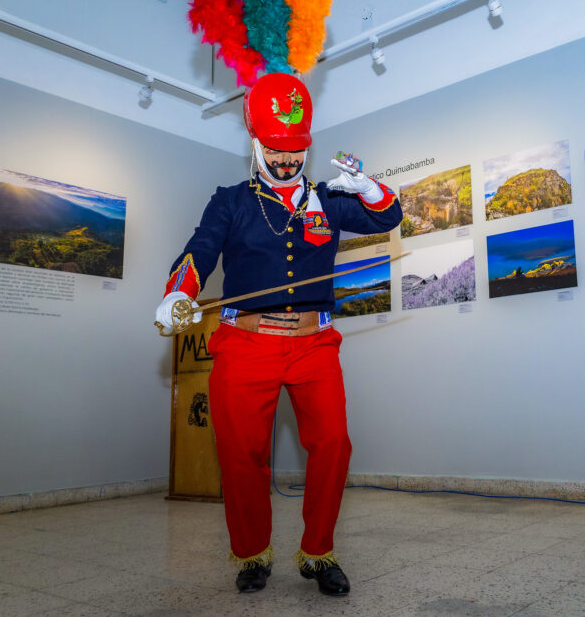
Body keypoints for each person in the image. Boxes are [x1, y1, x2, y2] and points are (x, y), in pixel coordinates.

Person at [154, 72, 401, 596]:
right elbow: (199, 251)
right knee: (242, 453)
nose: (287, 162)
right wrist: (179, 291)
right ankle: (251, 554)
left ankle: (318, 553)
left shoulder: (328, 199)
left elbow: (389, 217)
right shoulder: (230, 200)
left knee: (334, 441)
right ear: (255, 144)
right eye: (276, 150)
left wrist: (370, 187)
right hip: (246, 344)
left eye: (295, 151)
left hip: (314, 344)